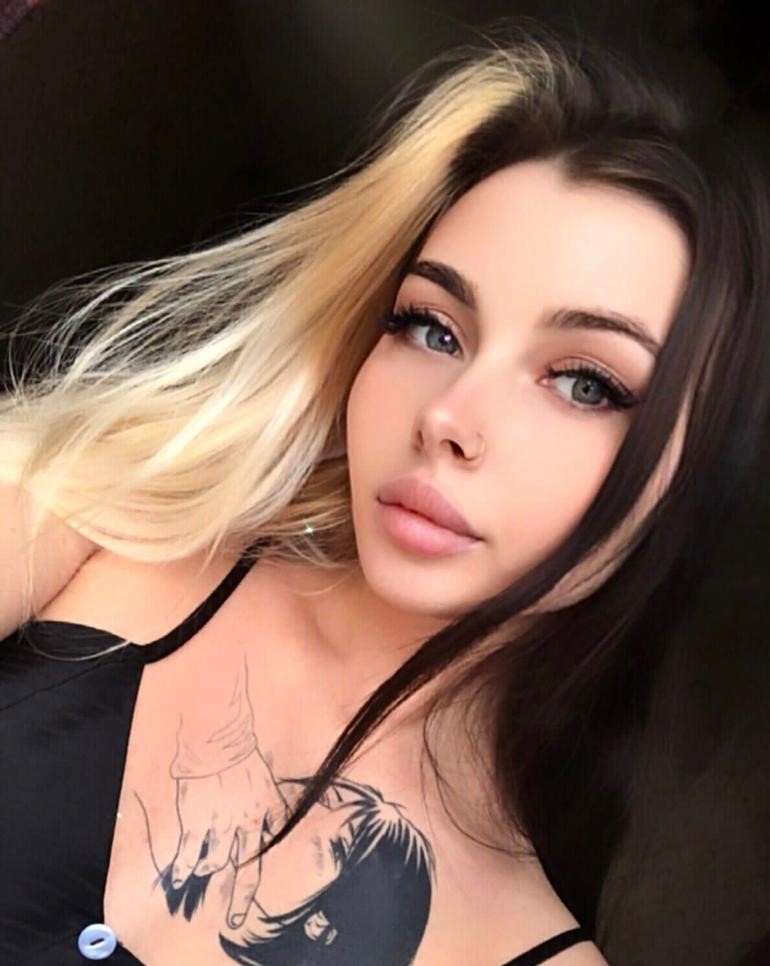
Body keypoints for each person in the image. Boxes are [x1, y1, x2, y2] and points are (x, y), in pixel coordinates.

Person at [1, 18, 768, 966]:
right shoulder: (105, 508)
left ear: (691, 481)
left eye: (585, 383)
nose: (448, 414)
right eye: (431, 327)